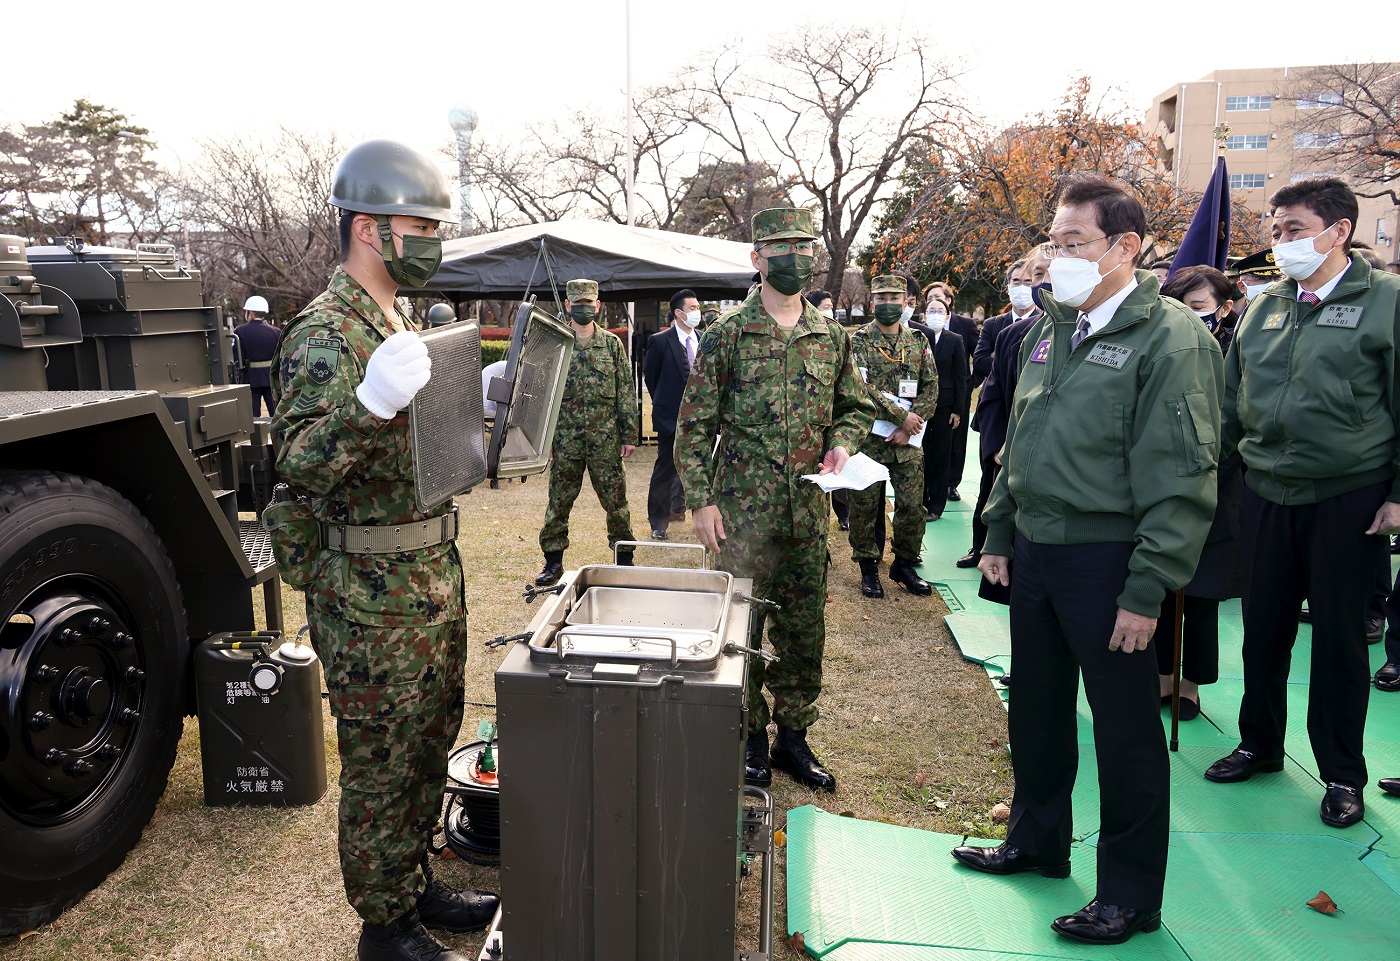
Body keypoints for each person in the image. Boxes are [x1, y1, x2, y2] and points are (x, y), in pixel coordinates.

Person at [957, 172, 1223, 947]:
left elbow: (1182, 475)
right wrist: (1001, 533)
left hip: (1111, 563)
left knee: (1125, 731)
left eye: (1073, 243)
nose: (1056, 257)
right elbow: (1023, 442)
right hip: (1037, 551)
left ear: (1126, 247)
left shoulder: (1170, 336)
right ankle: (1037, 841)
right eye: (1054, 242)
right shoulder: (1053, 326)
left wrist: (1148, 589)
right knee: (1036, 707)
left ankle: (1129, 894)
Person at [270, 138, 497, 961]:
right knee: (381, 761)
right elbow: (298, 465)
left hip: (428, 574)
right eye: (421, 223)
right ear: (369, 228)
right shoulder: (326, 333)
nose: (433, 239)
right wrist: (366, 403)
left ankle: (411, 881)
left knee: (430, 739)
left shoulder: (398, 319)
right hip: (368, 592)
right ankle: (383, 925)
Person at [1204, 176, 1400, 829]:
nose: (1280, 242)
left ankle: (1341, 771)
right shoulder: (1265, 308)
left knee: (1341, 640)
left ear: (1338, 231)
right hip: (1265, 490)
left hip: (1349, 495)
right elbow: (1232, 404)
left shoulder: (1387, 303)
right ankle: (1259, 741)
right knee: (1263, 626)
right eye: (1277, 230)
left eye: (1293, 230)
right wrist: (1207, 474)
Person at [676, 207, 874, 793]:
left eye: (804, 246)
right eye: (782, 247)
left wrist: (841, 442)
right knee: (741, 632)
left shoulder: (830, 336)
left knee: (804, 633)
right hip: (740, 520)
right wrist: (701, 502)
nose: (796, 257)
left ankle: (793, 736)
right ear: (757, 258)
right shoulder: (726, 336)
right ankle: (749, 738)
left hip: (807, 516)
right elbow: (692, 427)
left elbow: (855, 405)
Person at [1155, 267, 1245, 720]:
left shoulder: (1237, 350)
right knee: (1162, 584)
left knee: (1202, 593)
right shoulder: (1165, 344)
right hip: (1164, 484)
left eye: (1199, 307)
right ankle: (1162, 677)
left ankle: (1191, 685)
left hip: (1221, 486)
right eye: (1179, 305)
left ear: (1223, 308)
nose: (1189, 316)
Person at [534, 279, 638, 585]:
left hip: (605, 439)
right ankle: (552, 563)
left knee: (616, 502)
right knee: (559, 501)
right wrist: (545, 440)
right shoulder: (556, 343)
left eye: (589, 304)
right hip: (565, 439)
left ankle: (624, 559)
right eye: (578, 304)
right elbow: (542, 396)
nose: (584, 309)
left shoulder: (611, 345)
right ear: (567, 305)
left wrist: (630, 434)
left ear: (598, 305)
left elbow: (625, 391)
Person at [847, 274, 938, 598]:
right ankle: (868, 566)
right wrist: (901, 416)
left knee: (913, 506)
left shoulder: (918, 341)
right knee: (864, 507)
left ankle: (904, 562)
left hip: (907, 442)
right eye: (881, 299)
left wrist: (908, 426)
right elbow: (861, 387)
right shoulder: (857, 341)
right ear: (873, 302)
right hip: (870, 440)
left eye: (894, 299)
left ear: (905, 302)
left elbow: (931, 387)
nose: (887, 305)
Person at [960, 256, 1044, 568]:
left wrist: (1001, 359)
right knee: (988, 489)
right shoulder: (996, 326)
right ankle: (979, 547)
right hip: (1000, 423)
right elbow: (980, 362)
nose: (1023, 288)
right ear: (1007, 288)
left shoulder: (1049, 324)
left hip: (1031, 425)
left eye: (1028, 281)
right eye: (1017, 282)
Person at [643, 289, 700, 540]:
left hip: (700, 418)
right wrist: (665, 405)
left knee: (700, 468)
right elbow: (651, 378)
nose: (697, 312)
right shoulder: (660, 341)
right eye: (692, 308)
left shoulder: (704, 338)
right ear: (678, 313)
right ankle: (658, 523)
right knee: (665, 469)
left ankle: (696, 514)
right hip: (670, 418)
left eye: (698, 308)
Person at [913, 292, 968, 521]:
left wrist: (958, 410)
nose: (936, 315)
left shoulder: (955, 340)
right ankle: (920, 501)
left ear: (947, 316)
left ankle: (936, 505)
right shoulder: (916, 337)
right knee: (921, 454)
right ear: (924, 316)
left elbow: (960, 376)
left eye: (940, 311)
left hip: (945, 406)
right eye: (932, 311)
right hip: (919, 406)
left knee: (941, 454)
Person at [924, 282, 978, 499]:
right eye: (929, 301)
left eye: (938, 298)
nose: (934, 306)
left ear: (948, 301)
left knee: (953, 444)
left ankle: (950, 484)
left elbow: (976, 358)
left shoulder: (962, 328)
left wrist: (968, 385)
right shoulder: (920, 333)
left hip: (954, 395)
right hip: (927, 401)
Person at [234, 295, 281, 417]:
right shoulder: (276, 332)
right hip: (270, 376)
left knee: (253, 415)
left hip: (251, 376)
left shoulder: (240, 331)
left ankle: (255, 436)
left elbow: (236, 357)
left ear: (251, 313)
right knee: (274, 413)